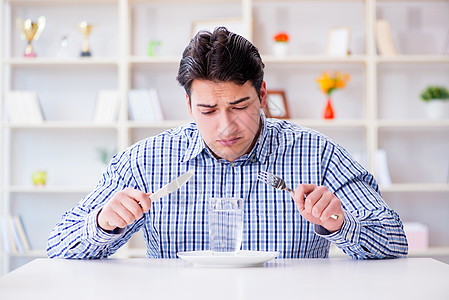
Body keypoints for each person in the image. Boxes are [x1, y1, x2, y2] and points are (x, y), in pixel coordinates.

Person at [47, 27, 408, 259]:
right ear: (188, 105)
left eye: (239, 106)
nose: (226, 126)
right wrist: (103, 223)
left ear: (262, 95)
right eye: (207, 110)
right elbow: (59, 245)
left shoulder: (318, 154)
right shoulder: (145, 161)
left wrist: (339, 223)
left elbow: (394, 241)